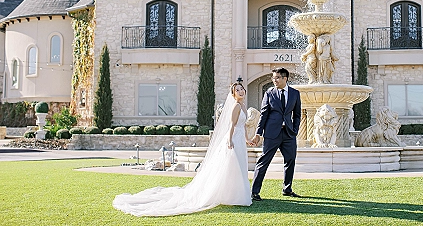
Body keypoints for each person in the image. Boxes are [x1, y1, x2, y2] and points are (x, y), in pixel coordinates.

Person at [112, 82, 252, 216]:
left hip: (240, 140)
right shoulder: (236, 107)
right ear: (233, 94)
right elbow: (232, 126)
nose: (241, 91)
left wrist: (247, 140)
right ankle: (232, 195)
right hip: (233, 139)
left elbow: (243, 125)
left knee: (238, 166)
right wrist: (229, 141)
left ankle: (235, 194)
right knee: (231, 167)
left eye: (241, 89)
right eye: (237, 90)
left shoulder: (243, 106)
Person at [251, 67, 301, 201]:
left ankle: (287, 188)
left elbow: (297, 115)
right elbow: (264, 114)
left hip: (289, 134)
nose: (274, 80)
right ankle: (255, 192)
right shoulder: (269, 93)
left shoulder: (295, 93)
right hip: (272, 134)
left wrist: (295, 130)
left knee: (290, 160)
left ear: (285, 78)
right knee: (263, 162)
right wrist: (258, 133)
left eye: (277, 77)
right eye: (273, 78)